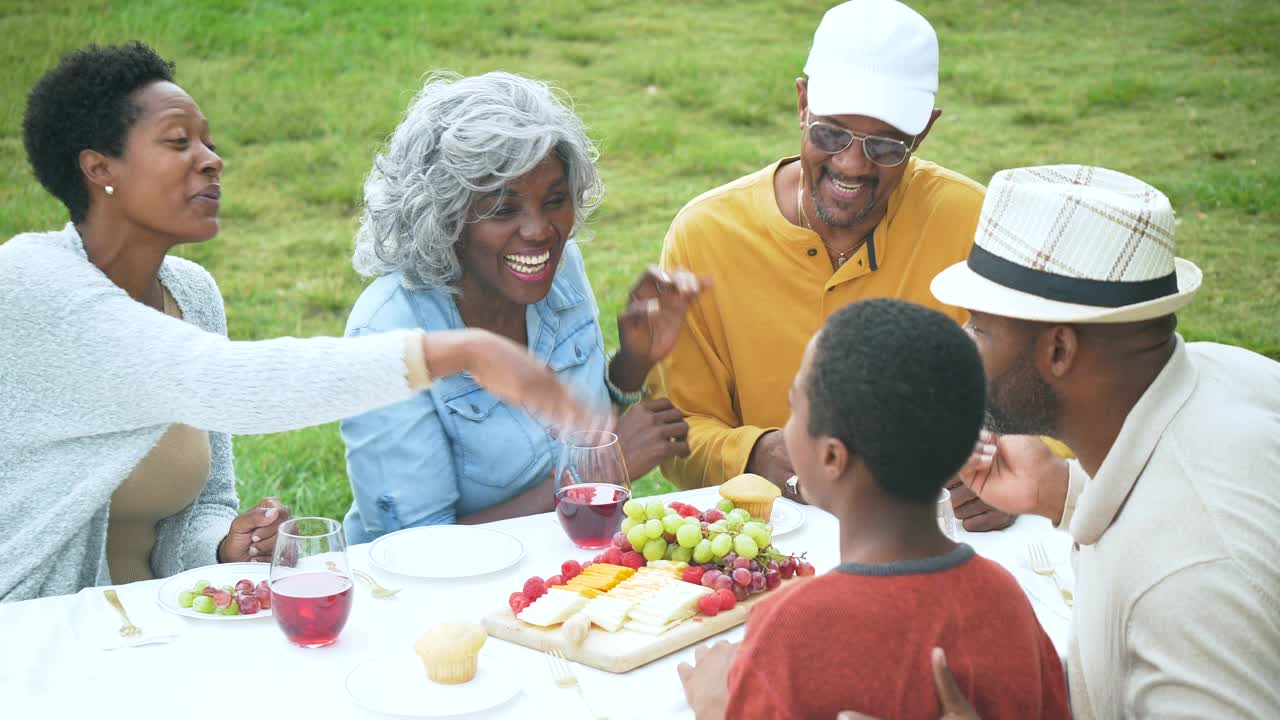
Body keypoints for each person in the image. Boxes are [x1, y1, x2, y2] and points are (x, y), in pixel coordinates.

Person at [0, 44, 596, 602]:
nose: (212, 160)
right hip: (35, 626)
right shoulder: (30, 283)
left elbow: (202, 505)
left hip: (148, 621)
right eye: (179, 142)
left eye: (207, 141)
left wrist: (224, 543)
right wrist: (463, 351)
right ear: (99, 168)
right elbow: (221, 381)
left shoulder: (190, 293)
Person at [649, 0, 1014, 531]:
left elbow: (1051, 397)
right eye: (830, 134)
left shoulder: (974, 222)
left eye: (886, 146)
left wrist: (1008, 471)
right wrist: (754, 454)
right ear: (802, 103)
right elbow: (676, 435)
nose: (852, 164)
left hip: (935, 536)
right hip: (767, 541)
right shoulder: (705, 234)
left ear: (924, 132)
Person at [932, 165, 1280, 718]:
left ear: (1060, 351)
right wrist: (1062, 492)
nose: (964, 349)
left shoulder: (1188, 588)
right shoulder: (1231, 371)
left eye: (980, 328)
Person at [339, 72, 704, 541]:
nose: (539, 231)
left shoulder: (561, 269)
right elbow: (415, 549)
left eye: (555, 200)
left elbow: (577, 429)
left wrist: (632, 363)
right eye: (503, 210)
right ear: (445, 217)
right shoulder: (386, 333)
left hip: (567, 566)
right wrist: (598, 477)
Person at [677, 299, 1069, 719]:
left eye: (794, 408)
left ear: (832, 458)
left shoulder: (791, 628)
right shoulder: (1005, 599)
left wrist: (718, 708)